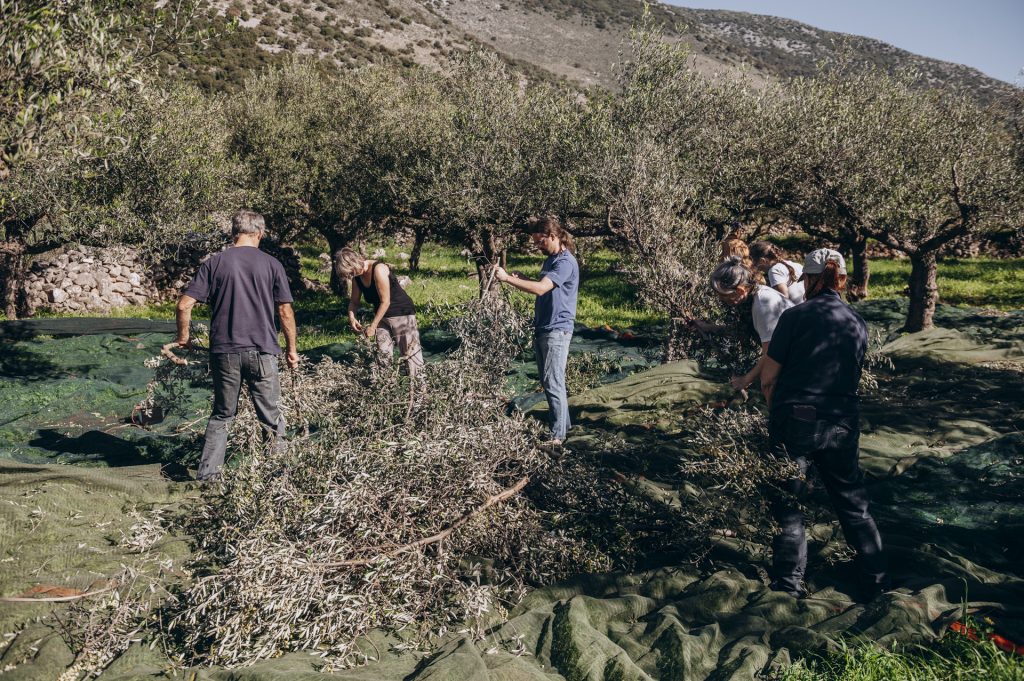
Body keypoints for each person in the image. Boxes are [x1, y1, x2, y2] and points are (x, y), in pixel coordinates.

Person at [760, 248, 888, 601]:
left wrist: (778, 416)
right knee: (853, 503)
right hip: (843, 421)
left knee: (789, 503)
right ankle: (875, 580)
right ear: (842, 281)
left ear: (811, 280)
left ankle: (788, 584)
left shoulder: (795, 317)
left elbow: (769, 378)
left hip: (798, 418)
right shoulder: (856, 322)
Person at [175, 209, 298, 482]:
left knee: (222, 415)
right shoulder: (272, 264)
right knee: (271, 416)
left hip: (224, 351)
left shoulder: (214, 263)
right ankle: (280, 477)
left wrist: (183, 338)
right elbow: (285, 312)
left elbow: (184, 304)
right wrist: (291, 349)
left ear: (234, 233)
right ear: (260, 234)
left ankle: (207, 477)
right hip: (264, 349)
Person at [494, 218, 579, 445]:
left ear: (552, 236)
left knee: (553, 381)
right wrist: (522, 279)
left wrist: (508, 280)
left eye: (540, 242)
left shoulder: (564, 262)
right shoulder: (552, 260)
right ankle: (564, 425)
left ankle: (558, 436)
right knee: (549, 380)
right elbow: (543, 285)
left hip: (557, 329)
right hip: (544, 327)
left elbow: (541, 289)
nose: (538, 246)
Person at [693, 256, 793, 393]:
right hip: (788, 360)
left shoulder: (764, 304)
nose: (721, 300)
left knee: (767, 385)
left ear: (740, 290)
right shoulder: (753, 296)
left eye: (724, 296)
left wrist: (745, 380)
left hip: (801, 363)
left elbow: (770, 354)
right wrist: (708, 328)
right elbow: (740, 331)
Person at [335, 247, 424, 377]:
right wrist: (352, 317)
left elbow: (385, 301)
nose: (350, 276)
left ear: (354, 263)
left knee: (411, 355)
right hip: (381, 316)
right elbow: (354, 302)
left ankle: (420, 392)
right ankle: (386, 390)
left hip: (401, 313)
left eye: (350, 272)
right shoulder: (357, 278)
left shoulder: (378, 269)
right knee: (383, 357)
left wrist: (373, 326)